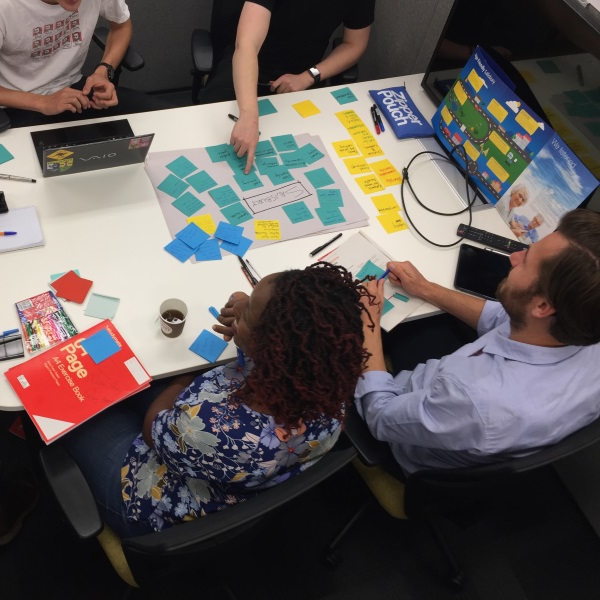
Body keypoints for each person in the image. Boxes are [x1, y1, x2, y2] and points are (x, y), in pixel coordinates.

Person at [61, 262, 370, 536]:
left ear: (272, 349)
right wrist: (251, 319)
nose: (242, 302)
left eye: (248, 314)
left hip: (145, 489)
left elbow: (153, 427)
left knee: (78, 395)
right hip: (225, 462)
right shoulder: (327, 381)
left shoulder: (212, 429)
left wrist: (185, 380)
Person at [355, 209, 600, 476]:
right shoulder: (575, 325)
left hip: (400, 439)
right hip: (455, 411)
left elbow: (380, 417)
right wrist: (425, 288)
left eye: (526, 261)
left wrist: (368, 323)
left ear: (542, 306)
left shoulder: (477, 399)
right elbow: (499, 318)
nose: (513, 256)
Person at [203, 0, 374, 173]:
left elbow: (354, 44)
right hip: (245, 70)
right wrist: (249, 115)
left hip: (302, 79)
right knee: (219, 158)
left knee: (305, 162)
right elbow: (247, 45)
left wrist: (309, 76)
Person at [0, 0, 167, 128]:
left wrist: (104, 71)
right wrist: (41, 102)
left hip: (74, 91)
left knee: (165, 124)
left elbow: (121, 26)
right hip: (16, 106)